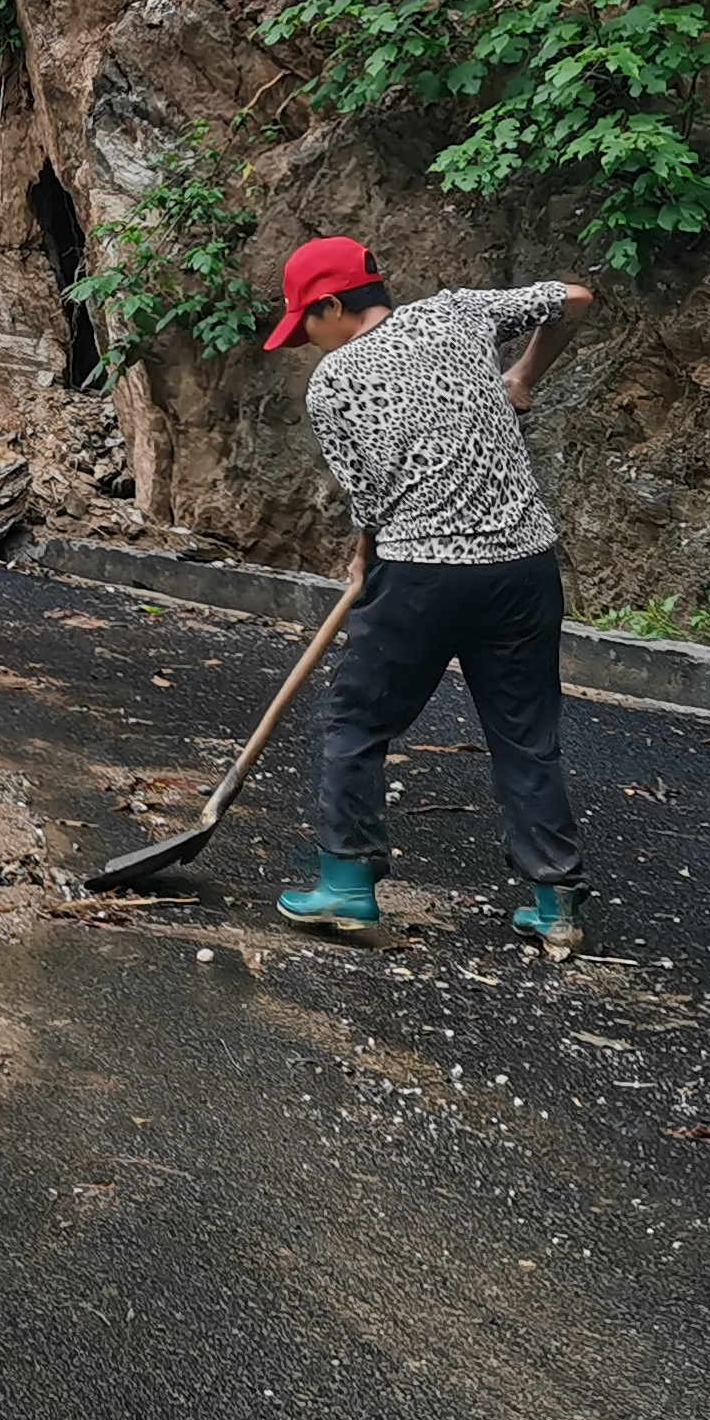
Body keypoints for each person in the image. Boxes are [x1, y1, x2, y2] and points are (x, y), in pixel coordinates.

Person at [262, 236, 596, 955]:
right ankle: (556, 902)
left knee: (357, 722)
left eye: (305, 326)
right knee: (525, 734)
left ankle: (347, 887)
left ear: (328, 305)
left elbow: (370, 501)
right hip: (523, 567)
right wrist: (523, 375)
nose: (306, 344)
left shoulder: (336, 381)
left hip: (423, 572)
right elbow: (573, 299)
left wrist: (362, 563)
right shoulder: (461, 313)